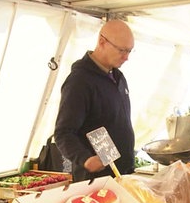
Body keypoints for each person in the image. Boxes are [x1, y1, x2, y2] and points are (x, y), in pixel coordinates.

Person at [54, 19, 136, 182]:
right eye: (122, 50)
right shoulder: (79, 82)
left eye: (130, 51)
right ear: (102, 42)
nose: (126, 57)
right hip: (96, 179)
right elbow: (63, 133)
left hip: (123, 173)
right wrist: (86, 159)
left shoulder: (118, 77)